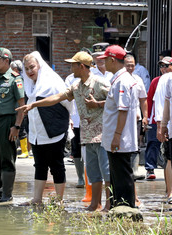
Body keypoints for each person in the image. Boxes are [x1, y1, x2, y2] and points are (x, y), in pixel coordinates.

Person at [18, 52, 110, 210]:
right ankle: (95, 203)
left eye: (73, 65)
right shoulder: (76, 85)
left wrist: (98, 104)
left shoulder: (100, 83)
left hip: (102, 134)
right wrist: (33, 105)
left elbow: (116, 101)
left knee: (106, 171)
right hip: (87, 135)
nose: (70, 68)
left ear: (81, 66)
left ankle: (110, 203)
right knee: (94, 172)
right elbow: (59, 97)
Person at [17, 51, 71, 206]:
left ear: (39, 65)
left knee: (57, 165)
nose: (29, 71)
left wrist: (64, 124)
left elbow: (66, 104)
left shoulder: (52, 81)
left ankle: (59, 200)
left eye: (32, 67)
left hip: (54, 129)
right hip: (36, 131)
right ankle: (37, 199)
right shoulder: (28, 85)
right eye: (26, 69)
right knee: (39, 165)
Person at [100, 45, 138, 208]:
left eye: (105, 60)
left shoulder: (122, 81)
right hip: (117, 138)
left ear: (112, 60)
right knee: (117, 175)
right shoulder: (121, 79)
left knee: (122, 176)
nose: (103, 64)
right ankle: (119, 208)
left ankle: (126, 209)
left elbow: (123, 111)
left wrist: (116, 135)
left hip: (120, 139)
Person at [0, 47, 25, 202]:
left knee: (7, 159)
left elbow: (22, 105)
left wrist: (17, 126)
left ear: (6, 60)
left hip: (7, 121)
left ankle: (7, 195)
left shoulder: (15, 79)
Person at [145, 56, 172, 180]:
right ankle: (150, 167)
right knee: (153, 142)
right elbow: (150, 100)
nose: (163, 69)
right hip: (157, 118)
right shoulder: (156, 81)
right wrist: (148, 117)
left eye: (166, 66)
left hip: (167, 119)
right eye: (161, 66)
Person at [124, 53, 148, 181]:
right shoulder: (118, 79)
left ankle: (135, 170)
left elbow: (143, 99)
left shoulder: (138, 79)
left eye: (132, 65)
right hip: (121, 118)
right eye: (128, 65)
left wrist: (145, 116)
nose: (130, 68)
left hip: (136, 117)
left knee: (136, 144)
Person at [64, 72, 85, 188]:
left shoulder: (95, 76)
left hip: (93, 121)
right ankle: (81, 178)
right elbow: (66, 99)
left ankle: (94, 178)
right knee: (76, 149)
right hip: (76, 119)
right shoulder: (70, 78)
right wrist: (69, 118)